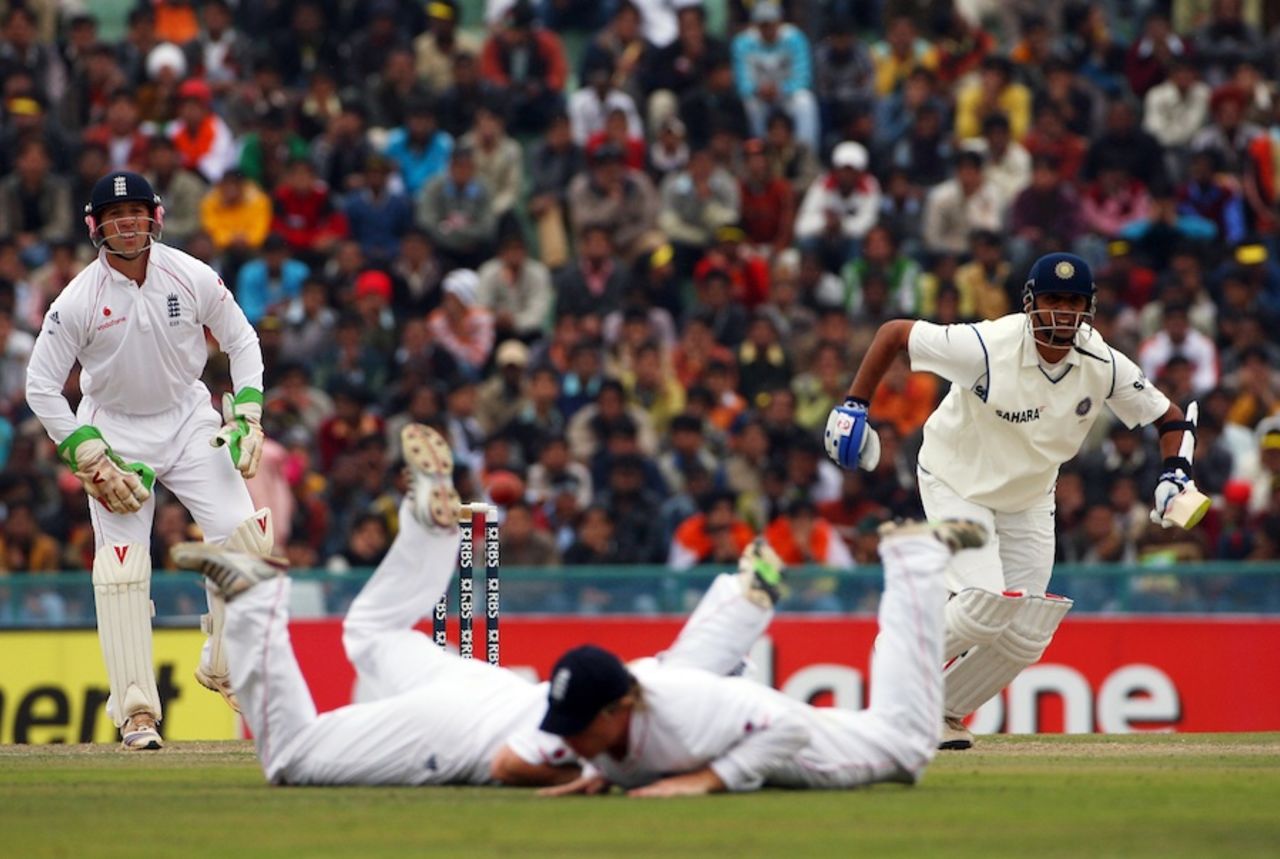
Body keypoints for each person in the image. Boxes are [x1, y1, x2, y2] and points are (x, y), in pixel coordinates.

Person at [171, 424, 787, 786]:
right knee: (322, 706)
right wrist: (607, 780)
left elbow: (695, 661)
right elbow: (516, 764)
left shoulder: (659, 691)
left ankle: (424, 524)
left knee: (338, 681)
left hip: (487, 699)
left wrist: (742, 598)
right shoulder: (653, 732)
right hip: (474, 717)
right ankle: (270, 590)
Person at [822, 252, 1197, 750]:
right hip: (957, 481)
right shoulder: (985, 345)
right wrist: (855, 405)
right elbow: (894, 332)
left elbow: (1170, 417)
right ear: (1030, 302)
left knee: (1027, 629)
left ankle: (939, 713)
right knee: (983, 605)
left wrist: (1176, 474)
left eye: (1073, 302)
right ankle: (898, 652)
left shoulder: (1101, 363)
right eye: (1052, 300)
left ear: (1089, 308)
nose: (1062, 312)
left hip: (1029, 495)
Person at [24, 171, 273, 750]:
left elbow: (241, 339)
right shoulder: (78, 299)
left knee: (247, 540)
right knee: (122, 569)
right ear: (97, 227)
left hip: (188, 419)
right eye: (116, 216)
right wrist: (87, 451)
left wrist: (251, 414)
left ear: (154, 217)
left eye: (136, 212)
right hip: (114, 432)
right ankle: (136, 712)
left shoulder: (188, 274)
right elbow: (40, 385)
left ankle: (224, 663)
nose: (128, 224)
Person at [530, 518, 986, 797]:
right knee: (682, 669)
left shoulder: (681, 709)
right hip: (692, 700)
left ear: (618, 709)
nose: (568, 741)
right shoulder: (627, 710)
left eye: (579, 727)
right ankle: (741, 602)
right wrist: (603, 771)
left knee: (908, 747)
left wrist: (711, 779)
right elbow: (635, 724)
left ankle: (914, 560)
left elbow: (787, 728)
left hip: (792, 746)